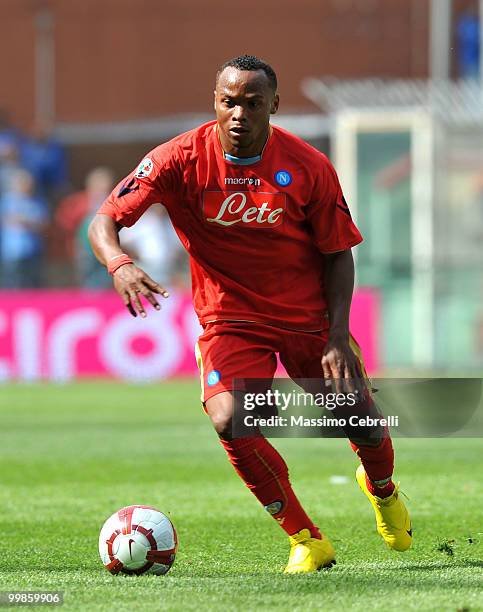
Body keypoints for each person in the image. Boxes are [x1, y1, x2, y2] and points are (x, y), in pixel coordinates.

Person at [88, 55, 412, 573]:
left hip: (307, 318)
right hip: (230, 318)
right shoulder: (177, 159)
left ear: (274, 106)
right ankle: (306, 538)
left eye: (252, 103)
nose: (238, 113)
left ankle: (381, 487)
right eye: (228, 101)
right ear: (215, 102)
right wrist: (119, 263)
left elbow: (338, 254)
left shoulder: (308, 166)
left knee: (365, 423)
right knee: (229, 417)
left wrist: (336, 337)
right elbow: (105, 219)